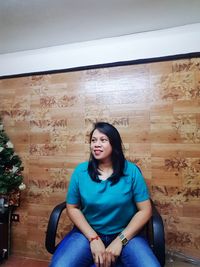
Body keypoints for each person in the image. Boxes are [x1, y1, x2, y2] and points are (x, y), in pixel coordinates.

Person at [50, 122, 161, 267]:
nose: (96, 144)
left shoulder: (132, 171)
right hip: (87, 234)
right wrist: (93, 239)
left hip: (127, 235)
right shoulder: (81, 172)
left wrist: (121, 240)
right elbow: (72, 207)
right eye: (93, 140)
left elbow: (145, 210)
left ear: (114, 144)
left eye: (103, 140)